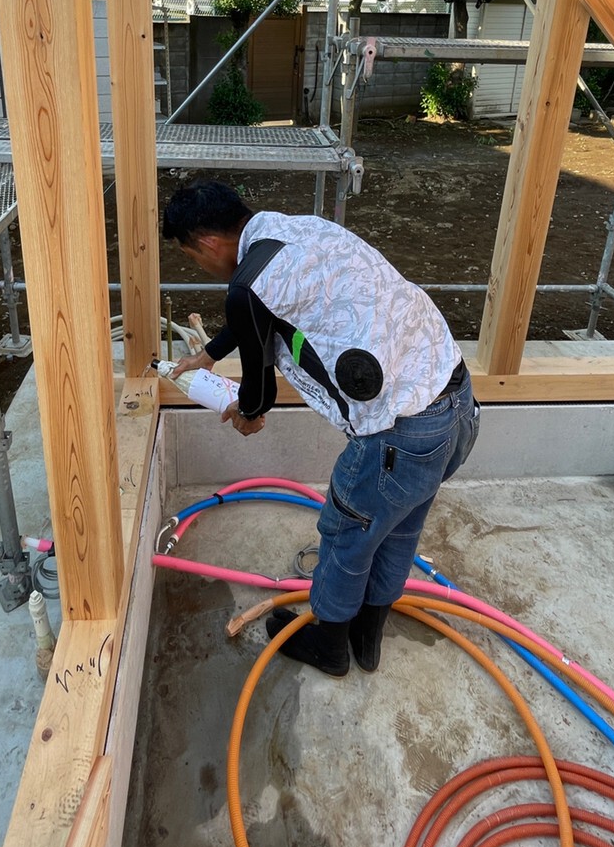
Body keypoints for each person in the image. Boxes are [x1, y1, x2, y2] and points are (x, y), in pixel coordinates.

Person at [162, 180, 480, 677]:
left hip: (401, 435)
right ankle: (368, 636)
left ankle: (329, 645)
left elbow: (258, 392)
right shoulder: (300, 232)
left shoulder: (247, 286)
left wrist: (245, 413)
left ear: (206, 243)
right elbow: (262, 313)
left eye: (193, 257)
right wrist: (209, 355)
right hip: (456, 404)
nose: (201, 266)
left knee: (346, 535)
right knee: (398, 528)